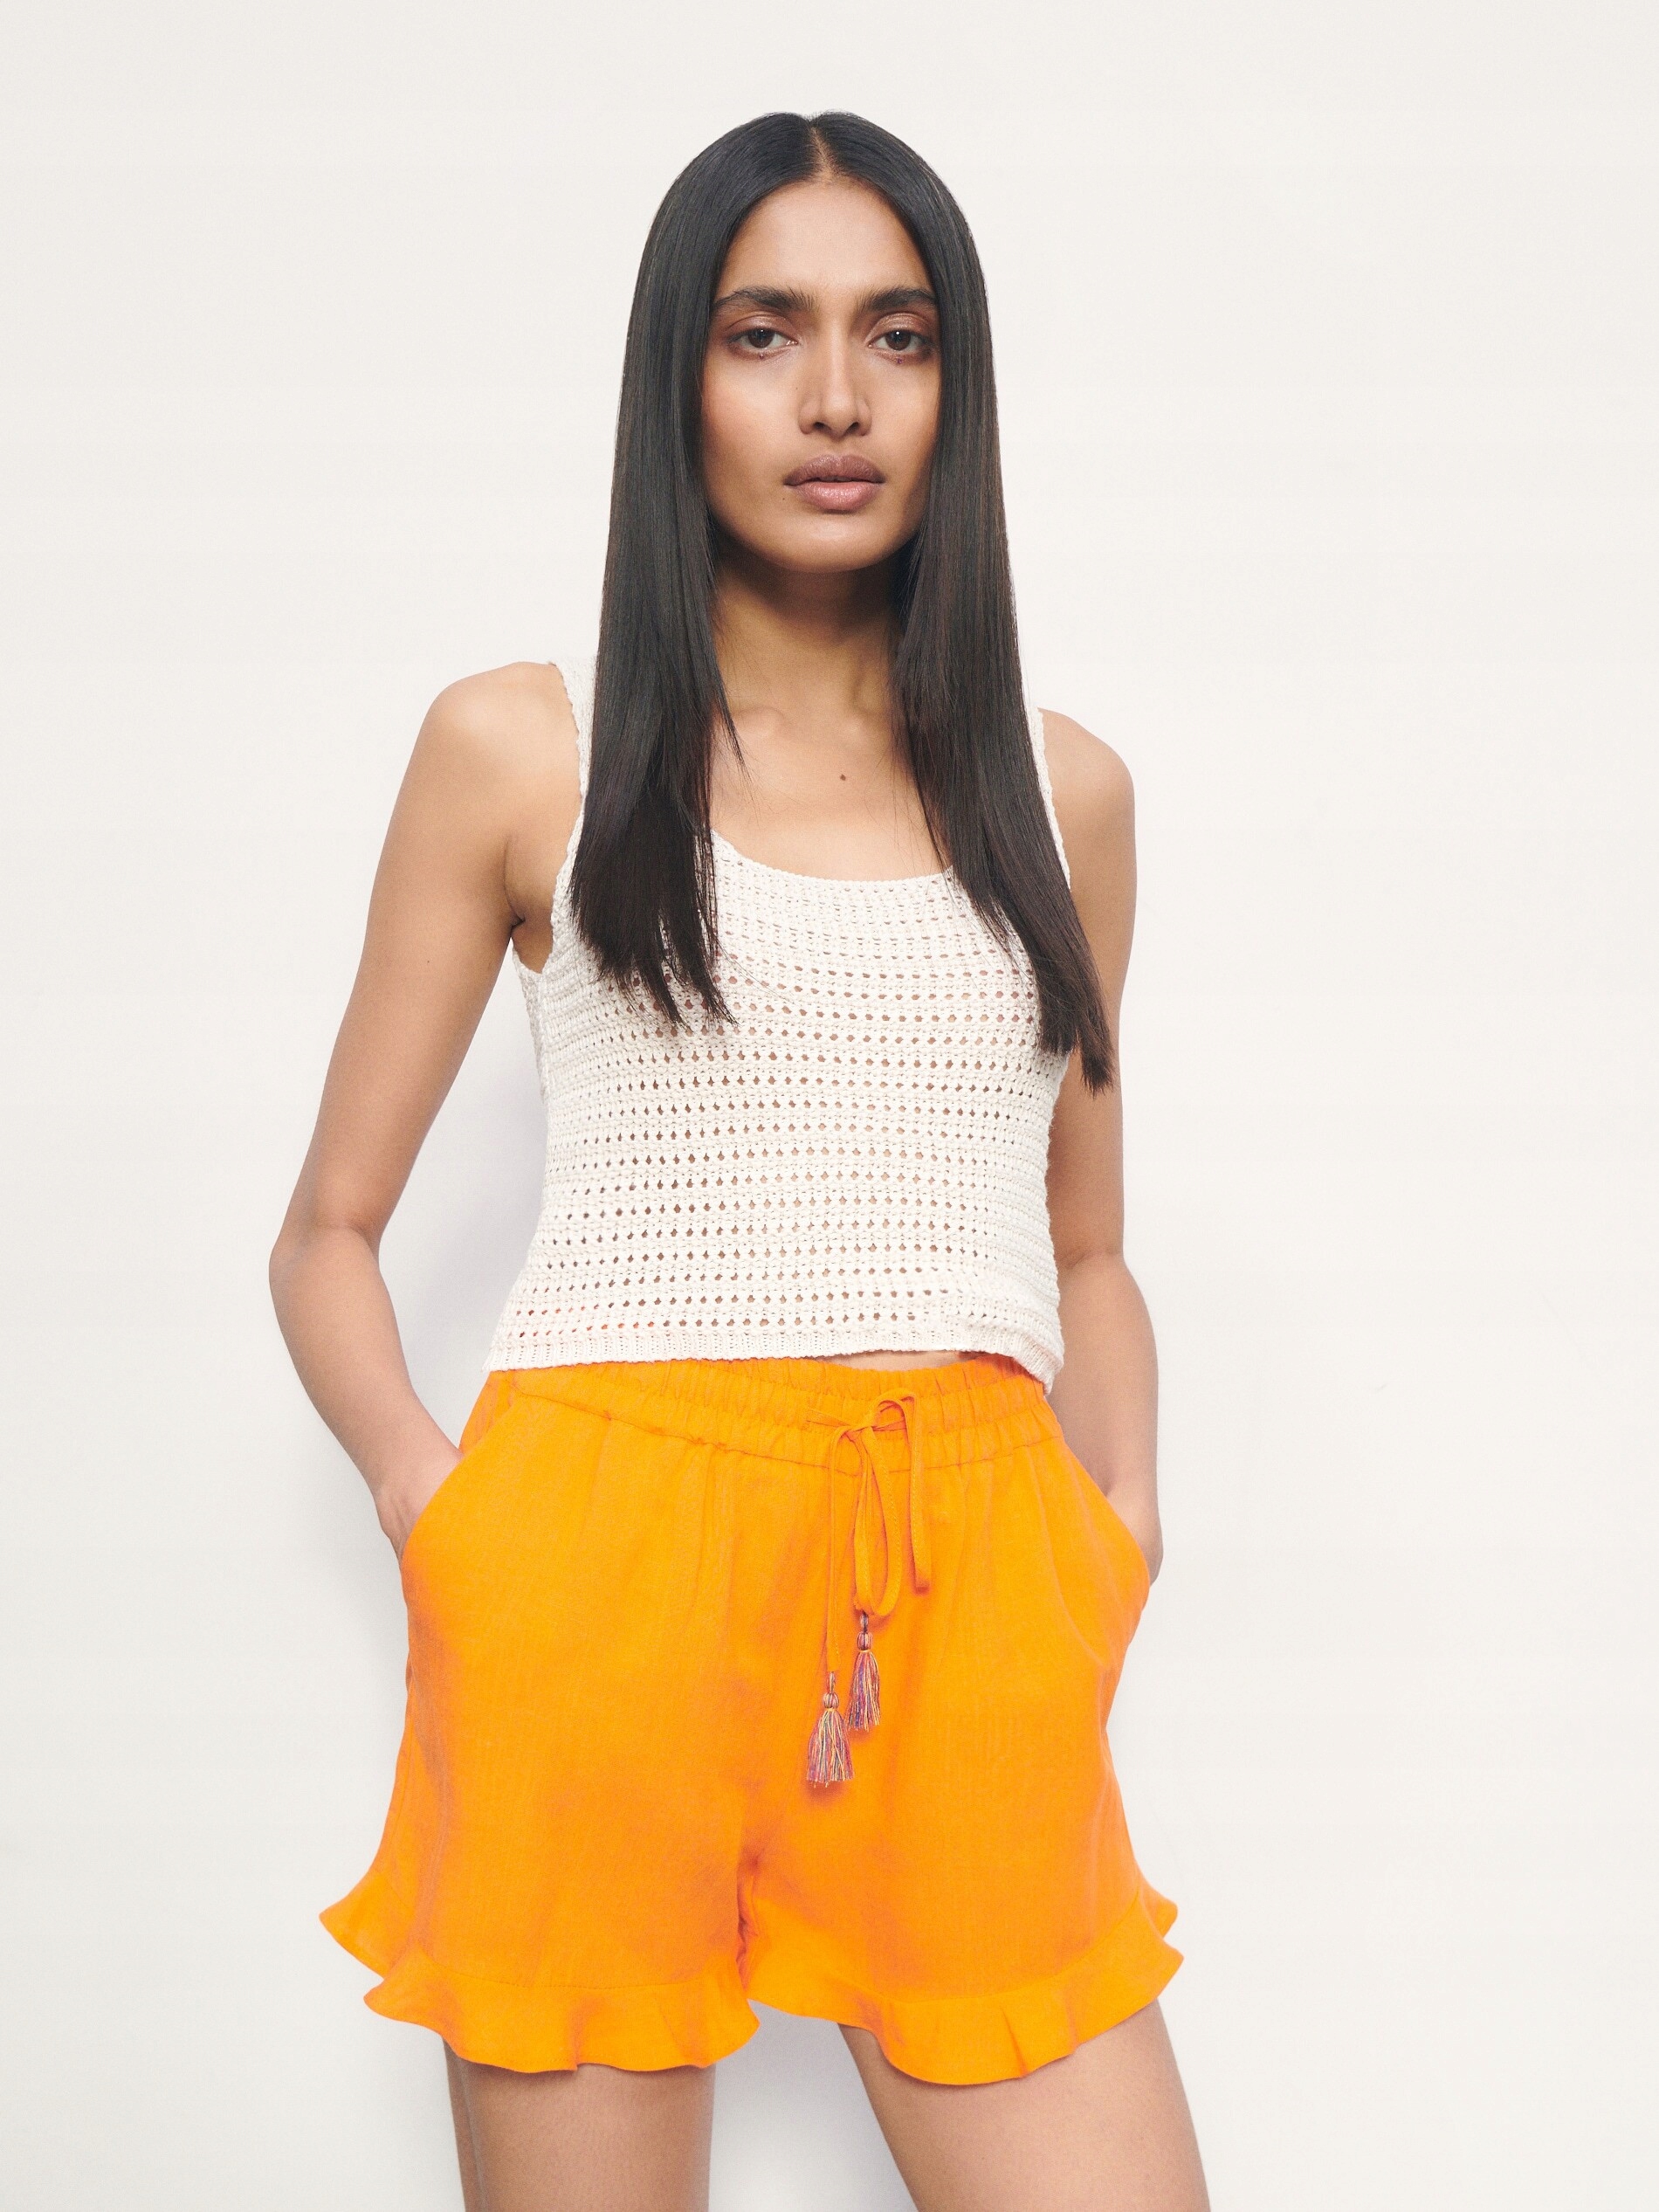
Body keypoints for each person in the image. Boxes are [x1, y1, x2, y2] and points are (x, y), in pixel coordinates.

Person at [270, 107, 1208, 2212]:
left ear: (955, 383)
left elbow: (1087, 1248)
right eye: (762, 331)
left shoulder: (1063, 792)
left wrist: (1118, 1529)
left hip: (971, 1578)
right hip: (600, 1572)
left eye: (897, 334)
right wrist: (444, 1515)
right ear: (673, 379)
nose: (834, 397)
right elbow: (328, 1228)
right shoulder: (526, 745)